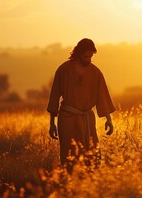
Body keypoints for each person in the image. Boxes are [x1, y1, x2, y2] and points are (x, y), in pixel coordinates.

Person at [47, 38, 116, 172]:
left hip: (87, 119)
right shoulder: (63, 70)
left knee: (92, 154)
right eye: (86, 56)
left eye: (91, 56)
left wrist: (109, 120)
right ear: (78, 54)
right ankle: (71, 183)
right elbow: (54, 97)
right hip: (67, 119)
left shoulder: (96, 72)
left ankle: (89, 184)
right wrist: (52, 123)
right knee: (69, 156)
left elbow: (102, 96)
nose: (88, 59)